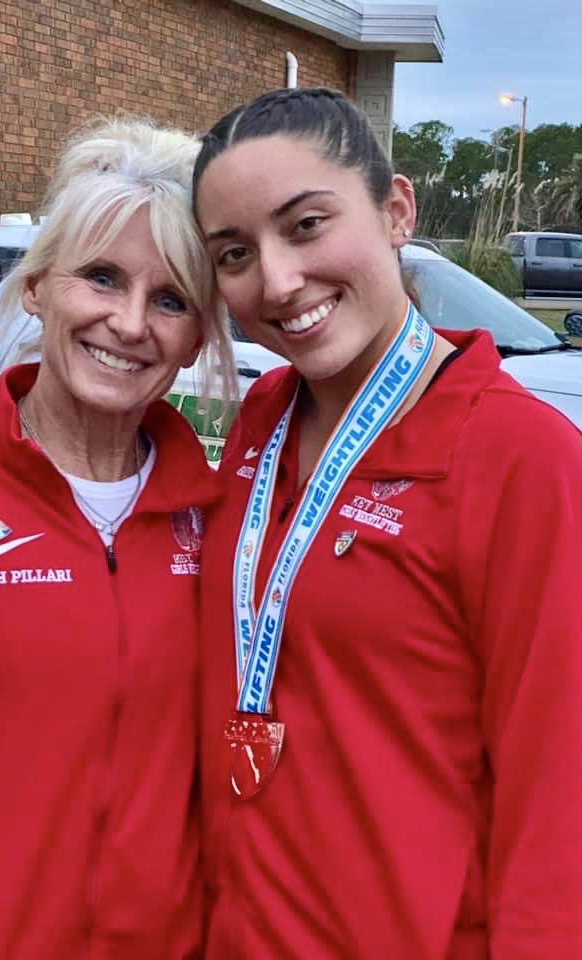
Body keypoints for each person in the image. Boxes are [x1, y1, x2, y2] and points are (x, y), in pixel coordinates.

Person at [192, 87, 582, 958]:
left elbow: (560, 796)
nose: (277, 281)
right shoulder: (260, 422)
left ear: (397, 210)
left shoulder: (522, 459)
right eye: (234, 253)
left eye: (306, 225)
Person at [0, 116, 235, 960]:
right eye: (101, 278)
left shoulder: (219, 513)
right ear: (37, 288)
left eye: (171, 299)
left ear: (197, 335)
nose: (130, 323)